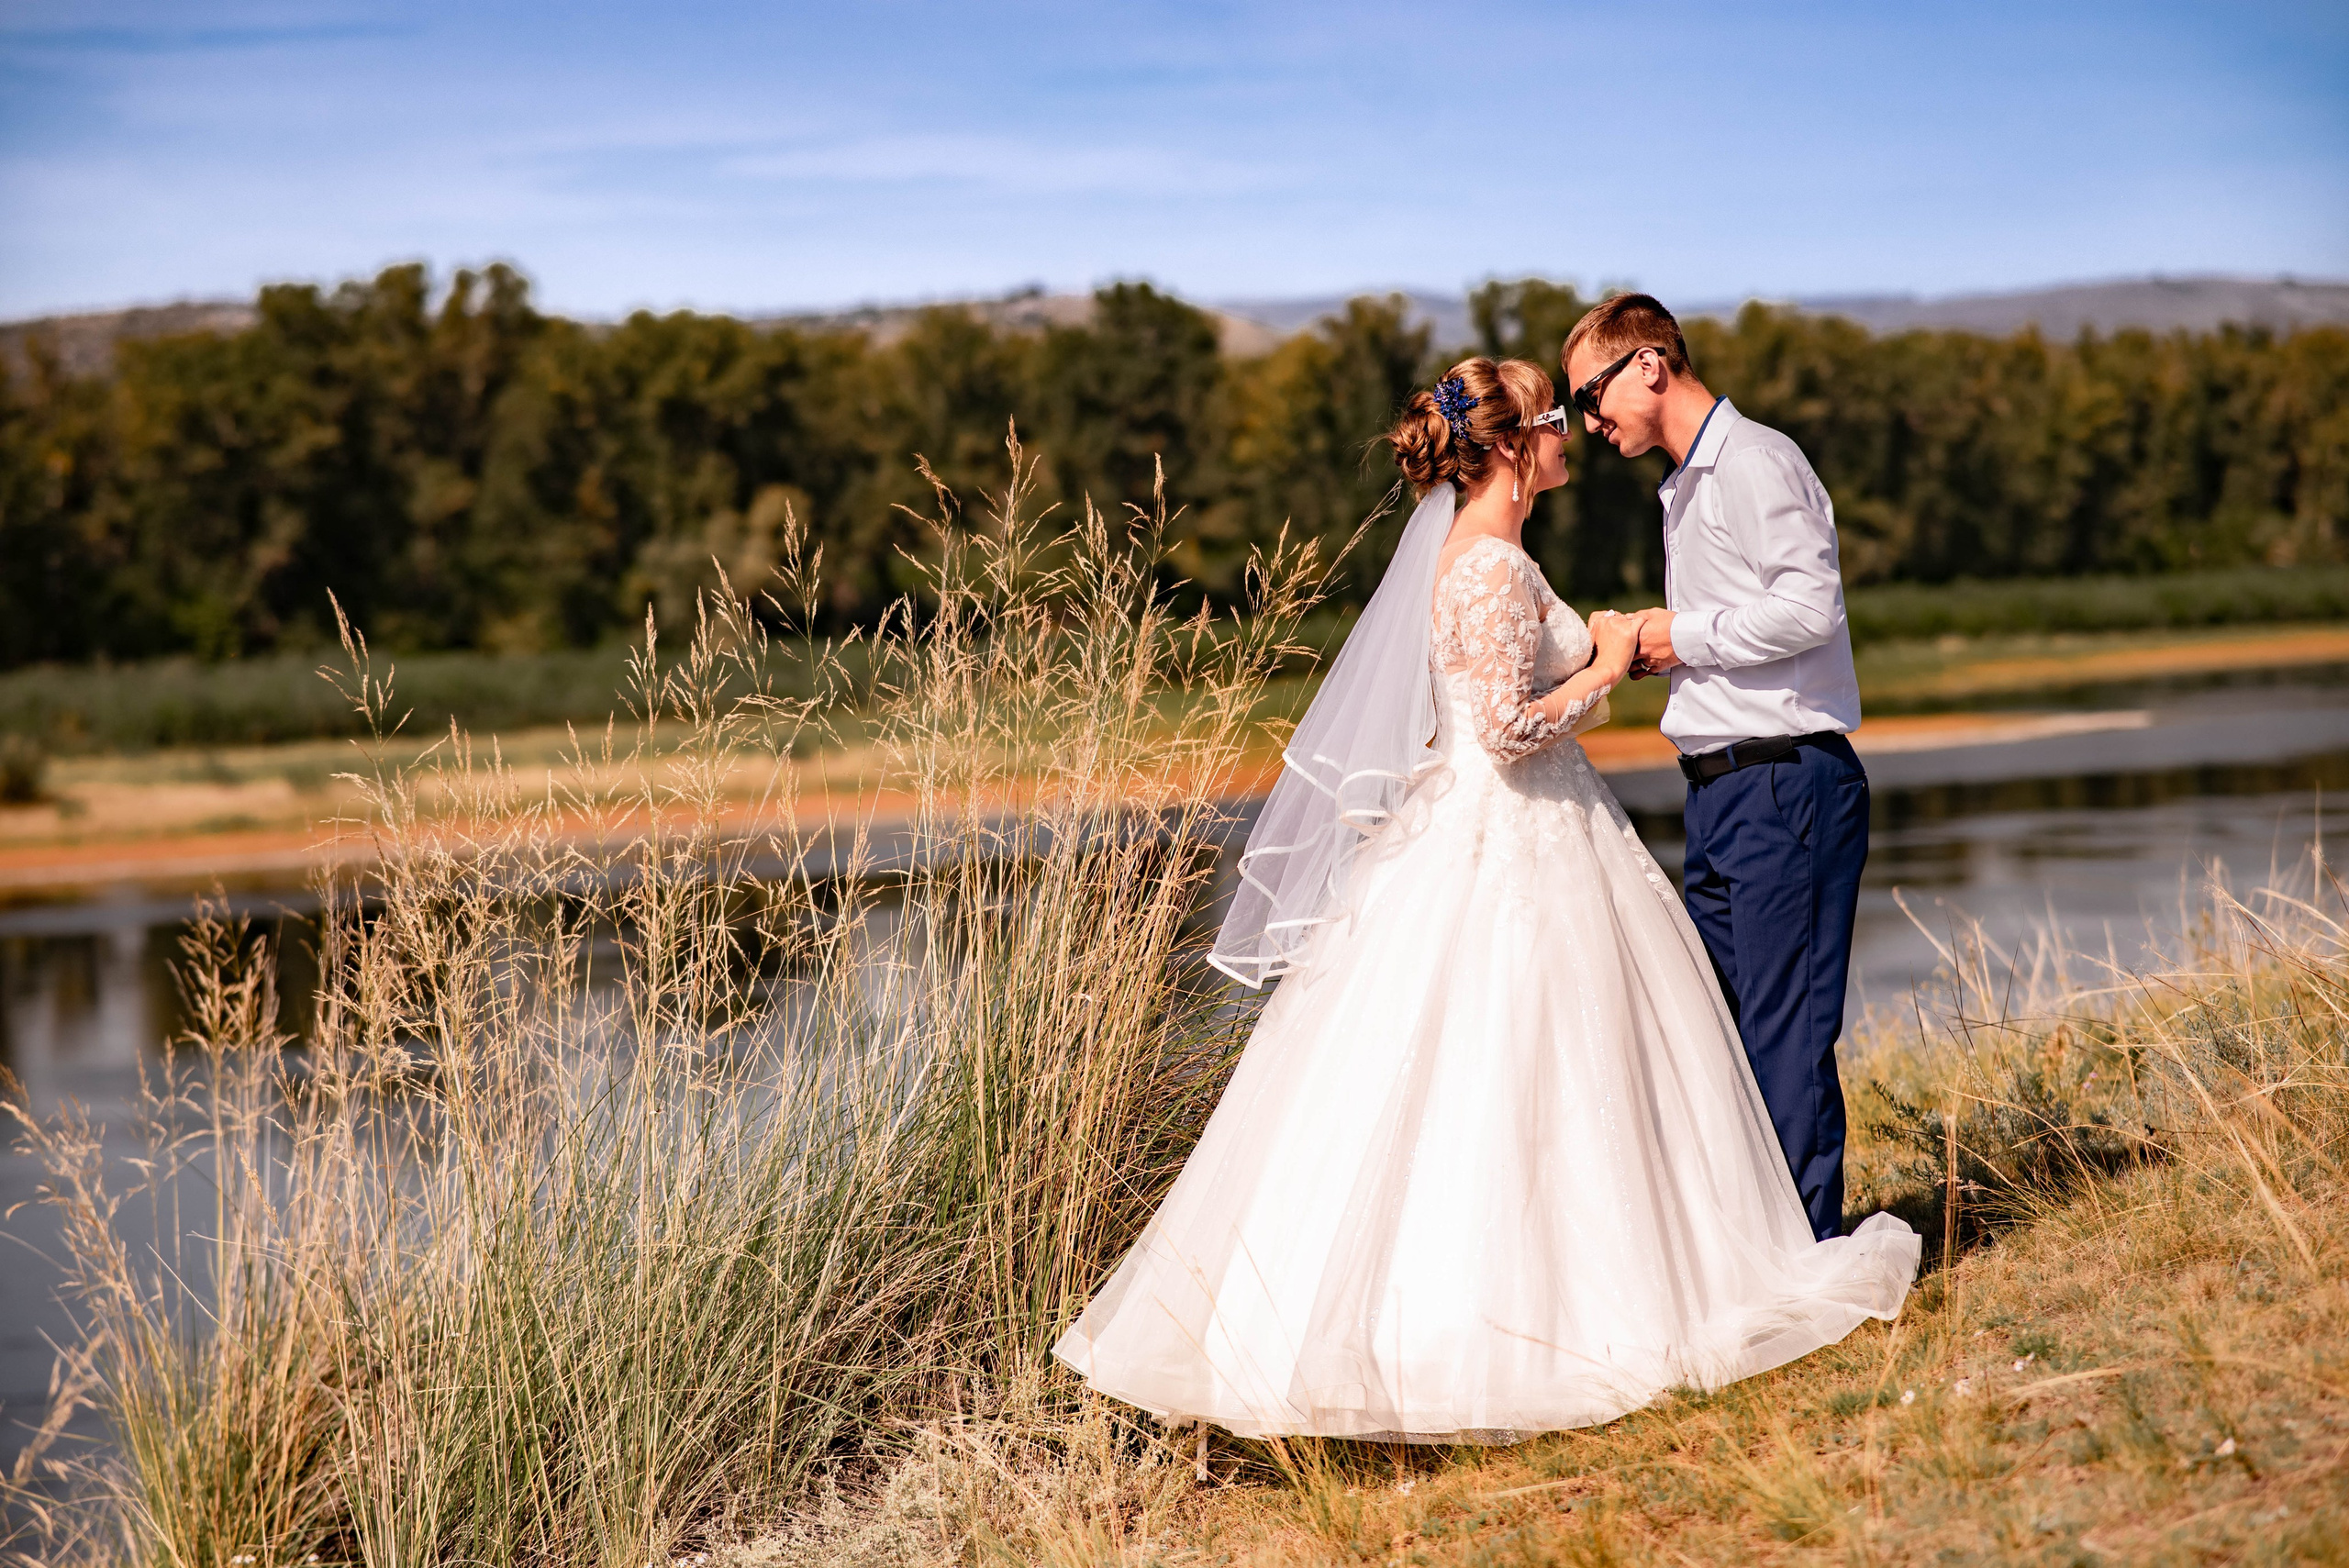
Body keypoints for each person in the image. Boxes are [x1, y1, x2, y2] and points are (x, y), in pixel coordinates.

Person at [1051, 356, 1917, 1442]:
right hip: (1515, 836)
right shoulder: (1492, 568)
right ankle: (1519, 1326)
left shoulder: (1481, 557)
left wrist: (1605, 655)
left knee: (1525, 1075)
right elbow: (1506, 732)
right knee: (1510, 1069)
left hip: (1509, 832)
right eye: (1553, 420)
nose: (1567, 434)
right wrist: (1603, 661)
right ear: (1511, 446)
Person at [1564, 294, 1868, 1245]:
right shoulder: (1686, 485)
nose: (1586, 419)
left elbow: (1809, 608)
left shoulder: (1756, 460)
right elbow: (1744, 625)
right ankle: (1752, 1249)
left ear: (1649, 363)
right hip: (1724, 792)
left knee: (1782, 1035)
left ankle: (1808, 1262)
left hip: (1784, 781)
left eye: (1589, 393)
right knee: (1720, 1030)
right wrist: (1664, 646)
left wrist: (1676, 634)